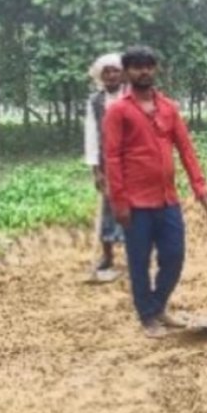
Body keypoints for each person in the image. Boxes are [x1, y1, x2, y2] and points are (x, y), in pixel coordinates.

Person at [103, 46, 207, 339]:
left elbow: (186, 148)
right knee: (139, 261)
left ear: (156, 69)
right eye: (137, 66)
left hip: (167, 199)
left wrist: (199, 184)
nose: (144, 71)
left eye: (149, 66)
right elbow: (112, 157)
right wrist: (119, 201)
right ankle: (148, 316)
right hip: (135, 204)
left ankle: (158, 304)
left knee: (174, 256)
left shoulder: (169, 108)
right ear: (127, 72)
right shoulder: (118, 111)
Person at [83, 53, 125, 281]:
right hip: (107, 163)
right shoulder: (95, 102)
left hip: (130, 163)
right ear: (101, 76)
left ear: (122, 74)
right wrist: (96, 170)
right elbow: (91, 135)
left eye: (115, 71)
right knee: (107, 209)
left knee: (134, 210)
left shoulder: (131, 97)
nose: (110, 75)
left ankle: (136, 255)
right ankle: (107, 256)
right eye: (106, 72)